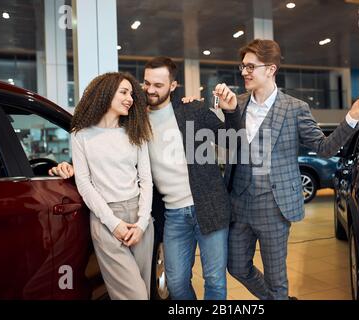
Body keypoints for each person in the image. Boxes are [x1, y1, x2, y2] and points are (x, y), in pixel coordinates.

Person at [49, 57, 241, 300]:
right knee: (176, 282)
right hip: (172, 214)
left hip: (209, 207)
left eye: (158, 85)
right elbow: (105, 150)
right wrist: (70, 166)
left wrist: (230, 111)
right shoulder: (135, 120)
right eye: (147, 83)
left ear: (173, 86)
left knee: (214, 279)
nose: (150, 89)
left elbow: (233, 141)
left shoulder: (192, 109)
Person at [222, 39, 359, 300]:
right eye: (243, 66)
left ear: (270, 69)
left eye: (250, 66)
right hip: (239, 204)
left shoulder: (295, 109)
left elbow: (323, 147)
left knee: (276, 279)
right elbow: (228, 144)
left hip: (274, 205)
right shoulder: (236, 103)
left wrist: (352, 117)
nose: (244, 72)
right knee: (236, 266)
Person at [68, 72, 154, 300]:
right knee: (135, 296)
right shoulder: (81, 135)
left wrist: (142, 222)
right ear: (105, 94)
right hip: (106, 220)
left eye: (132, 94)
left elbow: (146, 179)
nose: (130, 99)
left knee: (143, 291)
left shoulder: (135, 132)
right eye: (124, 92)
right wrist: (113, 223)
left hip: (139, 217)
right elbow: (84, 184)